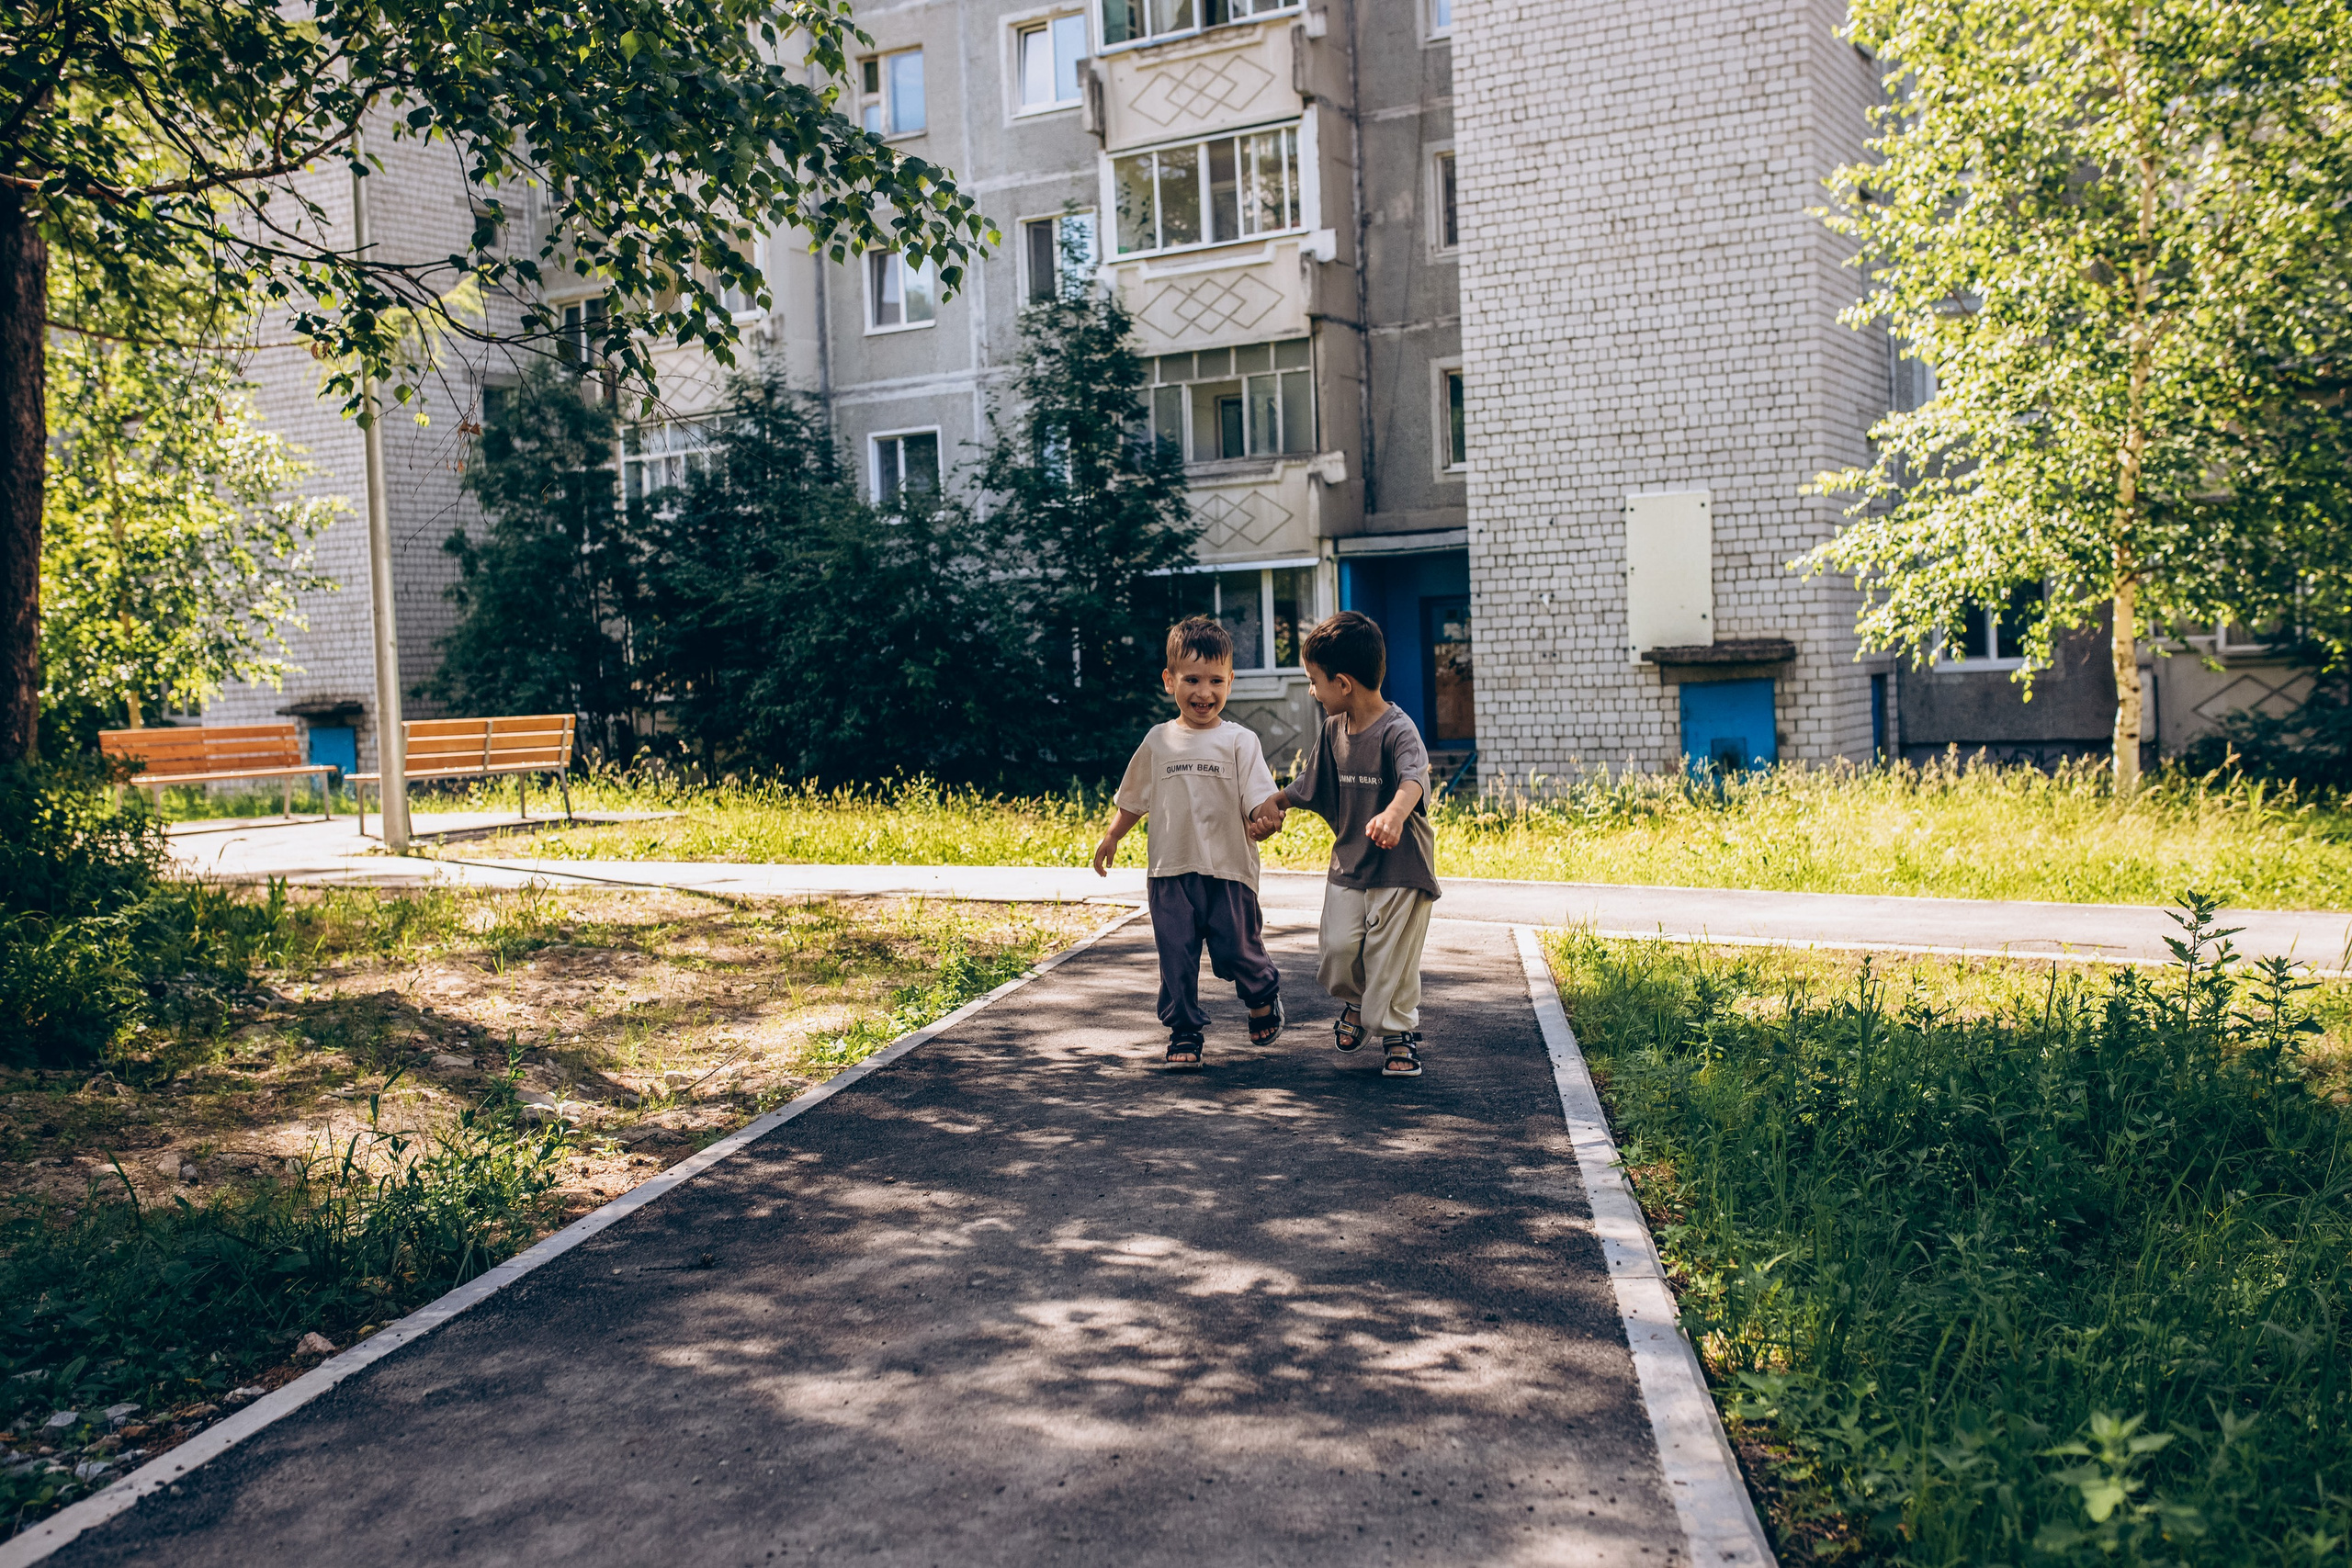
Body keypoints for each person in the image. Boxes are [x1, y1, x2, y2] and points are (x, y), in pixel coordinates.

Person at [1249, 611, 1440, 1077]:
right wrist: (1277, 802)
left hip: (1402, 868)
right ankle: (1355, 1002)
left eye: (1315, 681)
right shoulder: (1334, 729)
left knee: (1388, 957)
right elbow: (1312, 781)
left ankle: (1398, 1035)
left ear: (1344, 683)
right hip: (1350, 863)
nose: (1312, 691)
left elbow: (1415, 777)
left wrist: (1394, 814)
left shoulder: (1399, 729)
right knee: (1337, 951)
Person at [1093, 615, 1289, 1069]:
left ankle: (1262, 993)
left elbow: (1260, 798)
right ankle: (1184, 1030)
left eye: (1216, 681)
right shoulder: (1158, 740)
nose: (1204, 692)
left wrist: (1265, 820)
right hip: (1170, 871)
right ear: (1169, 680)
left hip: (1229, 871)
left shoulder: (1241, 741)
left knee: (1235, 949)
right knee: (1176, 957)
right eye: (1193, 680)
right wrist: (1111, 836)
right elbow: (1134, 799)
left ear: (1231, 681)